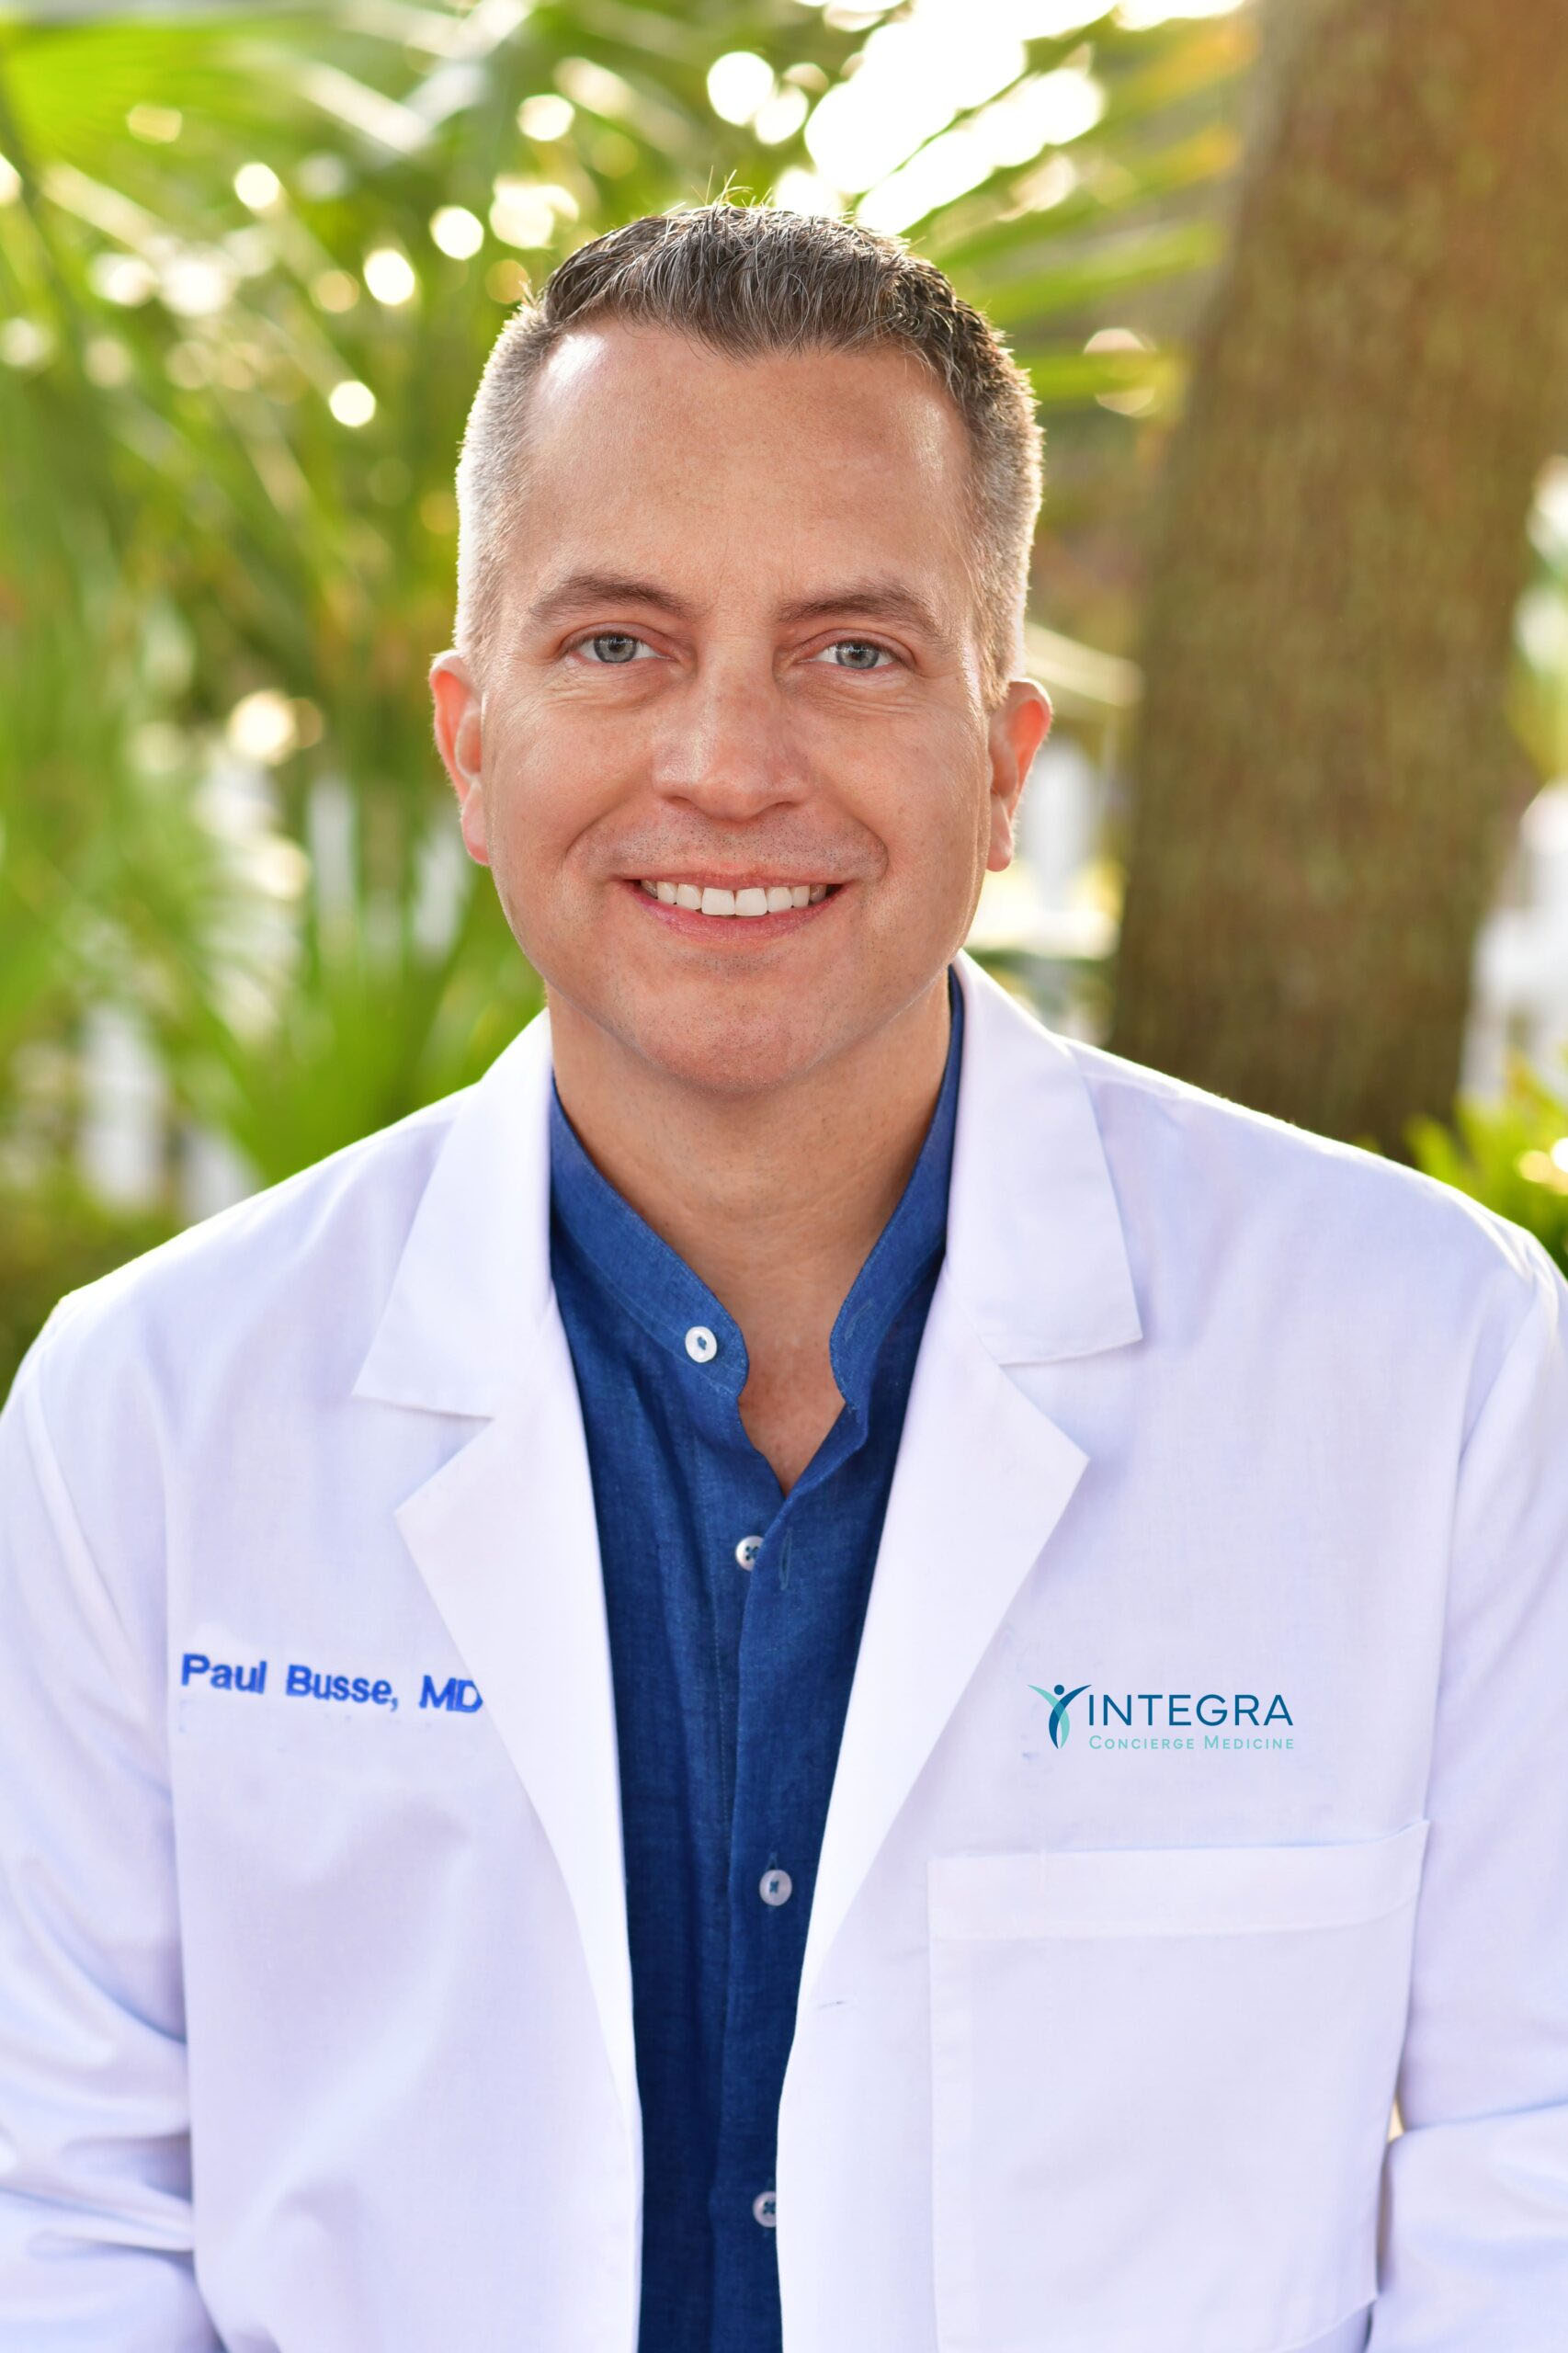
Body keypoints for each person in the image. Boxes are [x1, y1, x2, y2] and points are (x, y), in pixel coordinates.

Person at [0, 203, 1564, 2353]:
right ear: (472, 740)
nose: (727, 763)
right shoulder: (150, 1410)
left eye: (851, 649)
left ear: (1001, 765)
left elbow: (1530, 2169)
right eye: (617, 642)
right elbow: (62, 2208)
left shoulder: (1434, 1364)